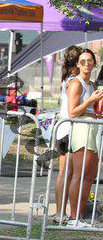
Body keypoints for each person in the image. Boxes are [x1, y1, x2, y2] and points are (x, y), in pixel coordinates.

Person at [66, 48, 103, 227]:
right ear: (78, 64)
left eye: (90, 61)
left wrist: (97, 113)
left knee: (89, 176)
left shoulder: (92, 85)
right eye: (83, 61)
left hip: (92, 129)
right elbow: (72, 112)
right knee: (79, 175)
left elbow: (89, 111)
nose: (86, 64)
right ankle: (73, 217)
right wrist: (89, 101)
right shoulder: (76, 83)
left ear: (94, 64)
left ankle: (80, 215)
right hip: (81, 130)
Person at [51, 46, 81, 223]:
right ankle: (60, 212)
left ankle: (60, 212)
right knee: (66, 173)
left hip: (64, 129)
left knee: (66, 173)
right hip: (68, 129)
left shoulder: (66, 79)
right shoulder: (72, 81)